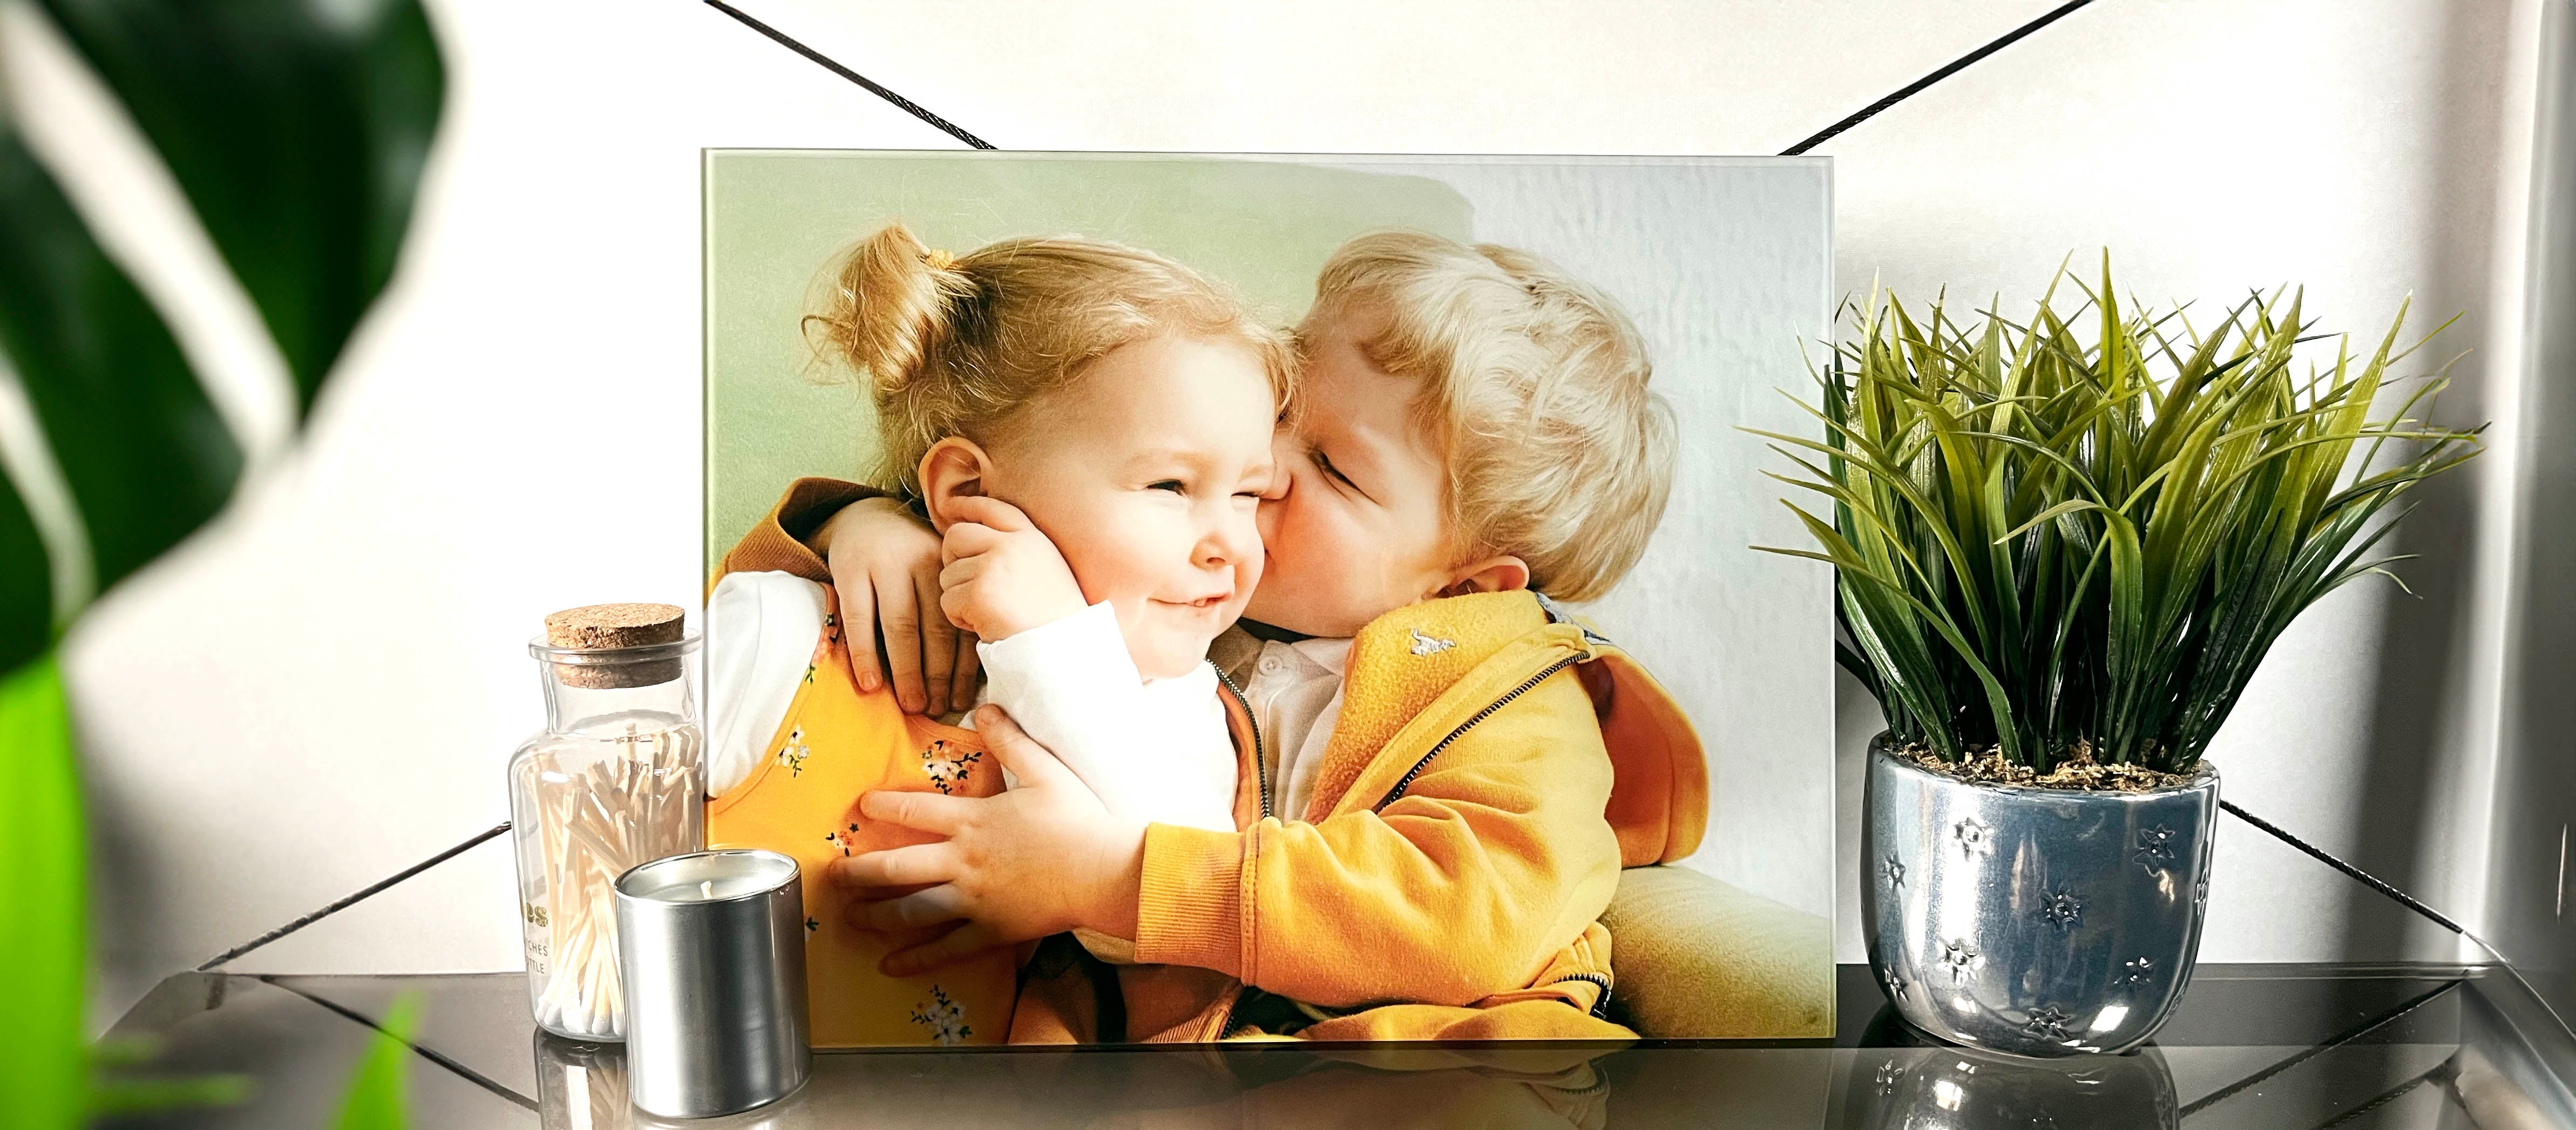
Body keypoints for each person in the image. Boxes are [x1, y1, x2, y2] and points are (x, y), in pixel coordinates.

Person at [723, 229, 1708, 1043]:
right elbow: (1033, 489)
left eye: (1331, 465)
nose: (1262, 463)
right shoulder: (1197, 605)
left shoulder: (1517, 697)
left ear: (1463, 583)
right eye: (1281, 409)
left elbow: (1463, 919)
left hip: (1435, 1056)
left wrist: (1115, 877)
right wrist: (871, 524)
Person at [703, 222, 1292, 1045]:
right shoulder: (787, 633)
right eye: (1170, 483)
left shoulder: (1180, 707)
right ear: (968, 487)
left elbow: (1187, 913)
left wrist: (1055, 637)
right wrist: (847, 516)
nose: (1230, 543)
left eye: (1251, 495)